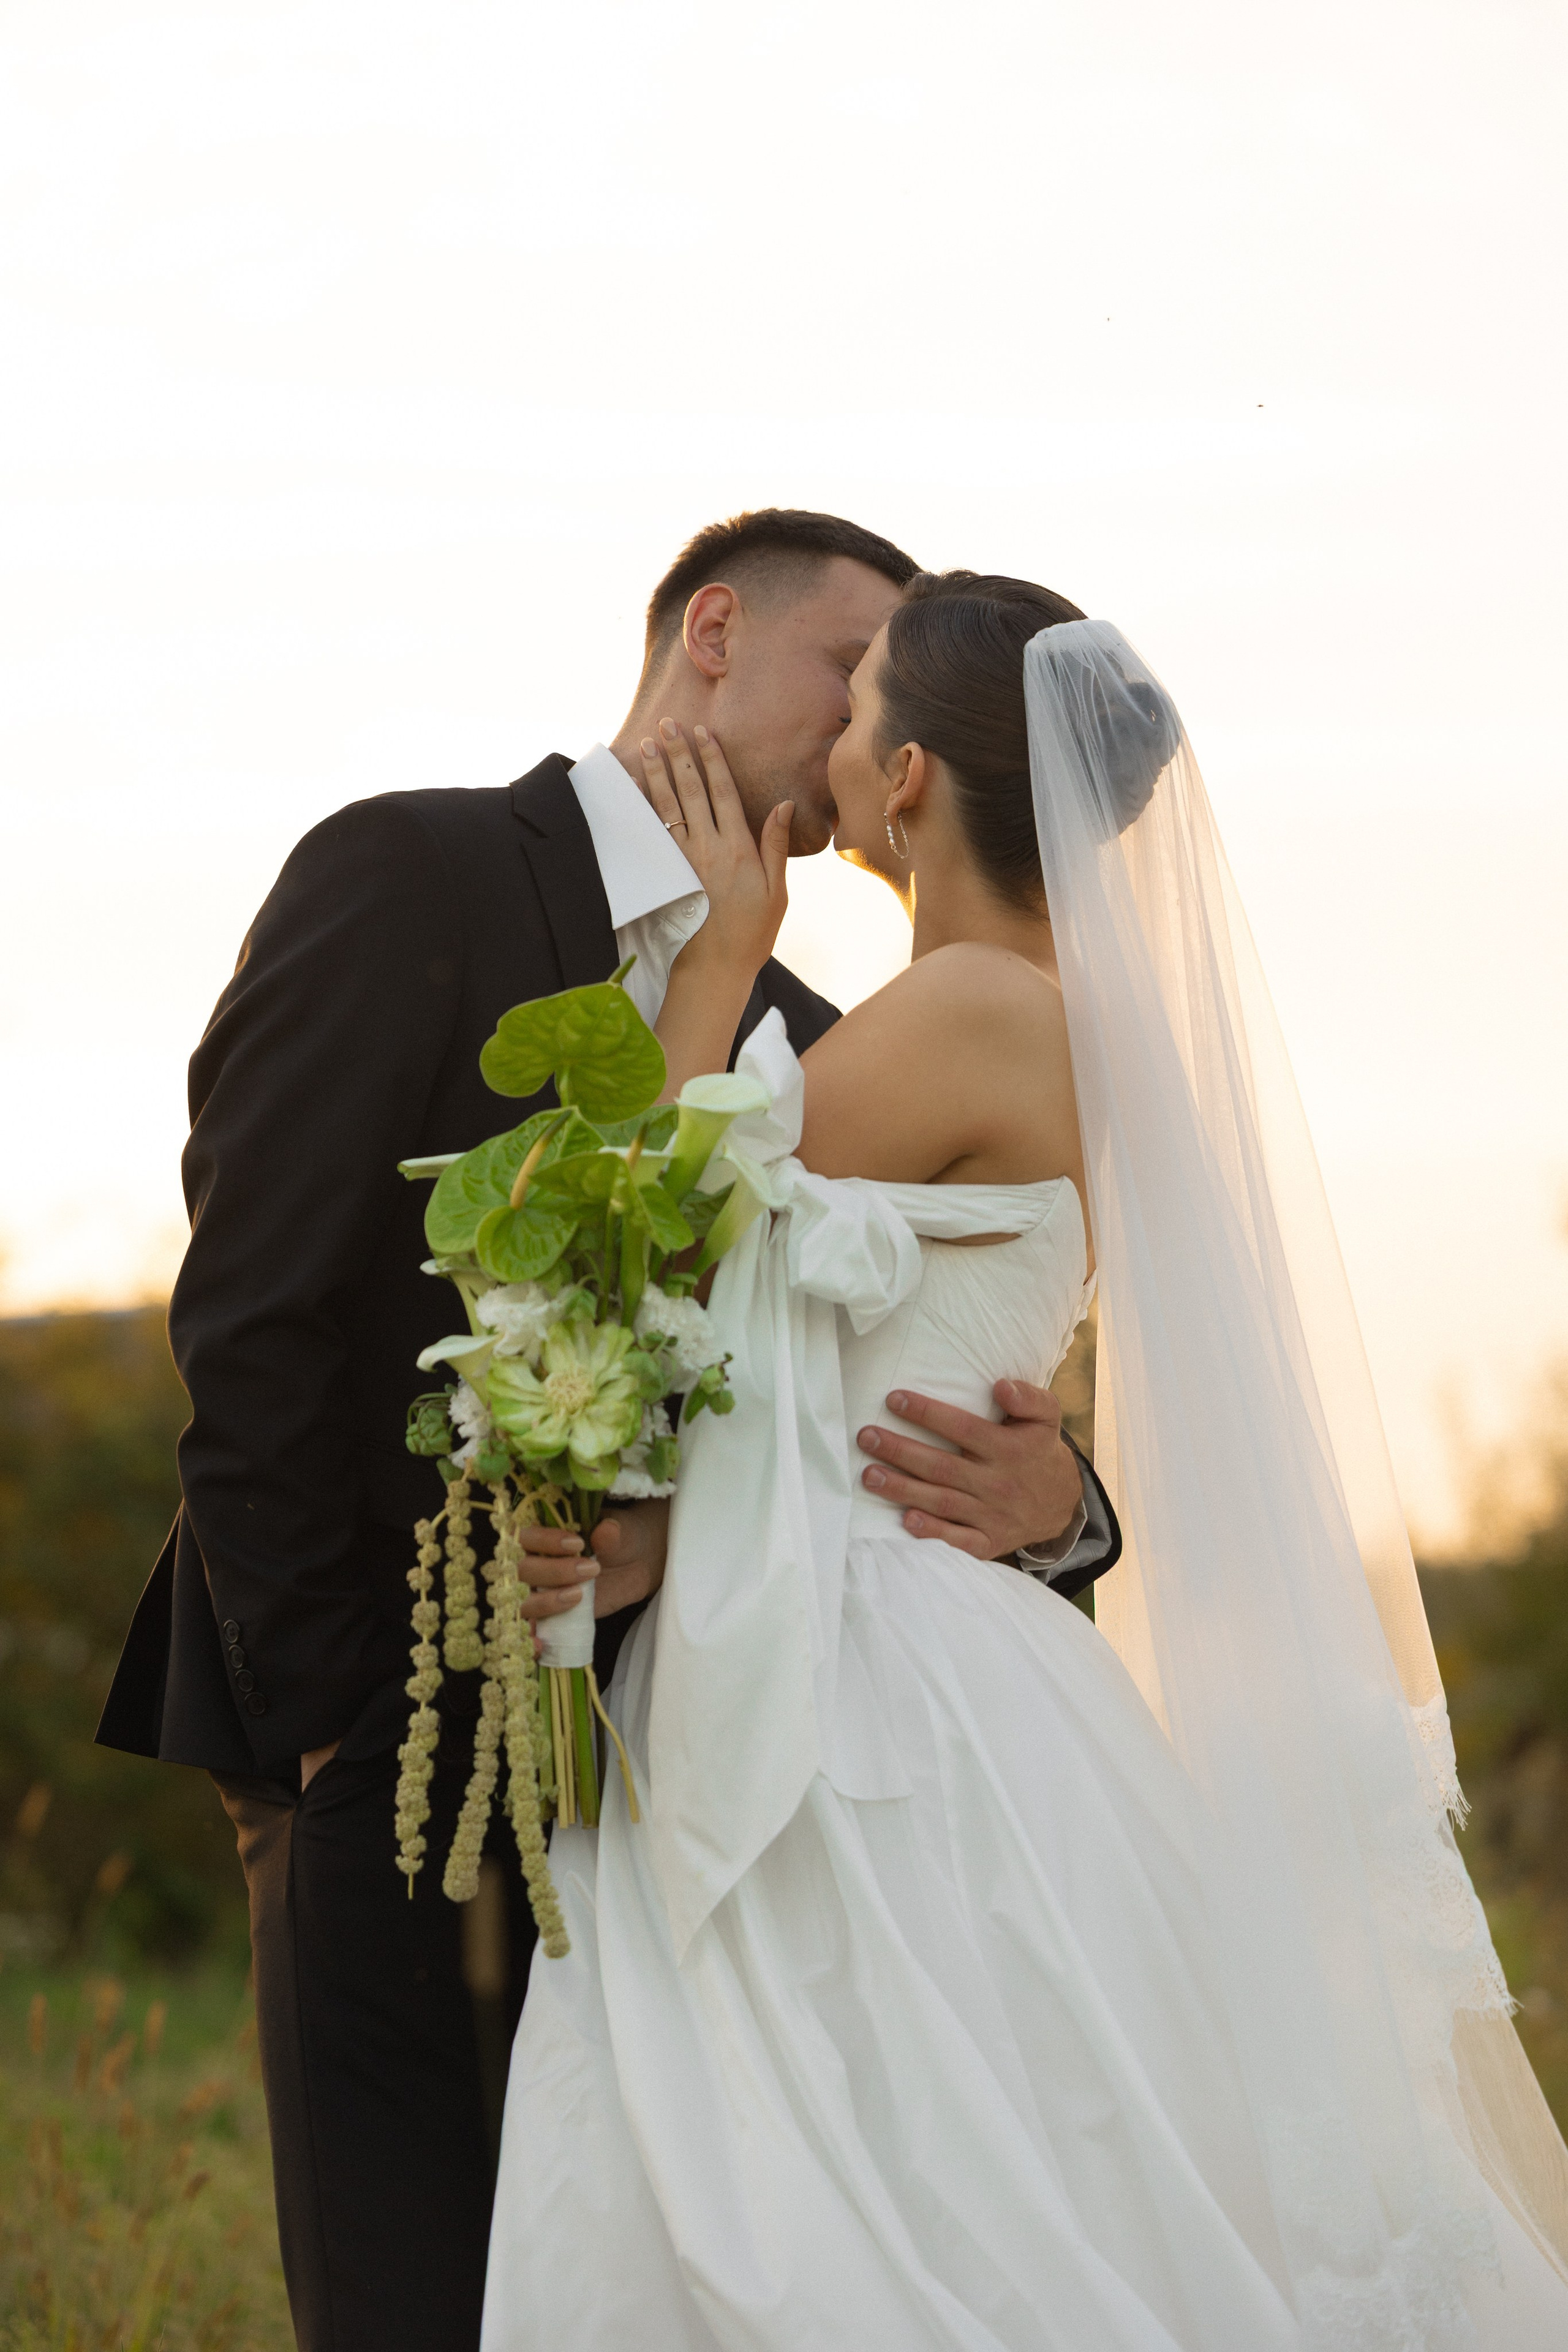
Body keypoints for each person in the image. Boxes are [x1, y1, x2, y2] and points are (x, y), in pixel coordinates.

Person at [481, 576, 1568, 2348]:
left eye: (853, 715)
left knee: (871, 2184)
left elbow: (647, 1253)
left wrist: (719, 960)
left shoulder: (972, 1002)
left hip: (864, 1686)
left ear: (903, 782)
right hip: (942, 1645)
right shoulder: (1067, 1021)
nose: (824, 744)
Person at [95, 513, 1119, 2352]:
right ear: (713, 632)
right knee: (410, 2286)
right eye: (847, 670)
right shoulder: (411, 873)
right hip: (389, 1738)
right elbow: (252, 1311)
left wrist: (1066, 1502)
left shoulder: (815, 1027)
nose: (852, 745)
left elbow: (892, 1353)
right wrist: (335, 1720)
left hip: (697, 1778)